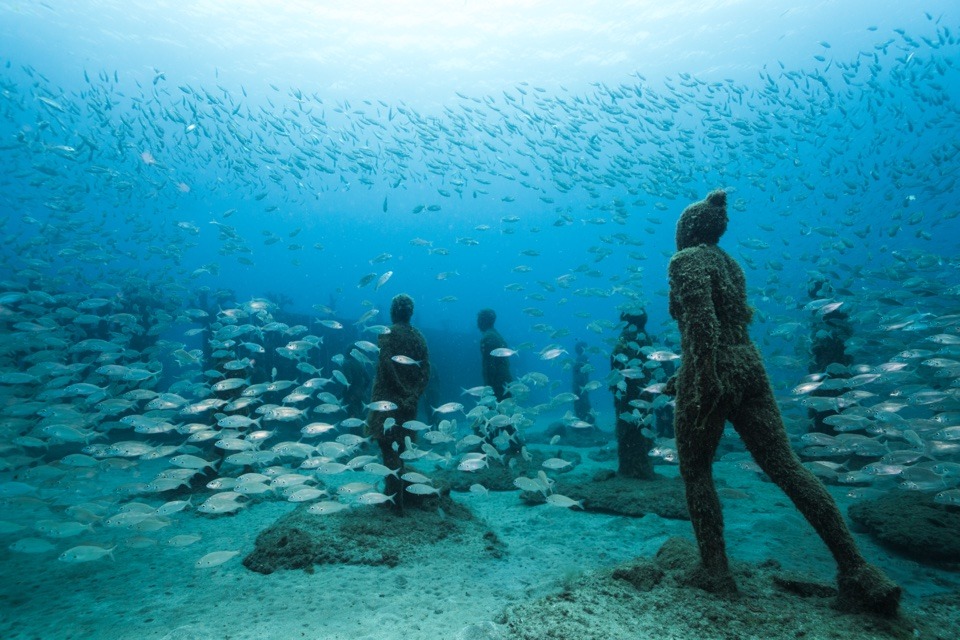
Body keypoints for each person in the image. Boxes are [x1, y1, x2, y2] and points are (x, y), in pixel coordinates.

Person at [667, 189, 900, 615]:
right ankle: (859, 570)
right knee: (788, 468)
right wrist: (679, 378)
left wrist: (702, 380)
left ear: (688, 228)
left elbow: (702, 327)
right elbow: (729, 323)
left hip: (713, 369)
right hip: (749, 365)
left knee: (696, 470)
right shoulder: (730, 264)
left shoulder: (685, 261)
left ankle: (715, 572)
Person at [366, 294, 431, 513]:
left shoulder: (386, 333)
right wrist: (413, 395)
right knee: (402, 448)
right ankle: (396, 496)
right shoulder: (419, 337)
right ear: (410, 312)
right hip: (410, 402)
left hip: (387, 399)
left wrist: (400, 392)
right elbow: (425, 371)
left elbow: (386, 365)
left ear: (393, 311)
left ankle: (395, 502)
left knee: (387, 447)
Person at [610, 308, 656, 479]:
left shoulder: (625, 338)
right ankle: (643, 466)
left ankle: (631, 470)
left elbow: (616, 366)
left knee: (628, 430)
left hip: (627, 394)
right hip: (645, 392)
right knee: (644, 426)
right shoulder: (646, 337)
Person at [477, 308, 513, 402]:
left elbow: (490, 365)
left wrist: (488, 387)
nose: (477, 324)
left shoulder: (487, 338)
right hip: (505, 380)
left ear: (482, 321)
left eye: (478, 320)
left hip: (497, 383)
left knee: (495, 414)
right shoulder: (498, 336)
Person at [571, 341, 594, 426]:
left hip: (577, 385)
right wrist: (585, 385)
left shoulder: (577, 359)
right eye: (586, 348)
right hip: (581, 385)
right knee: (584, 403)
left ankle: (581, 422)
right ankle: (586, 423)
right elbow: (581, 373)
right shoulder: (583, 358)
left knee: (578, 404)